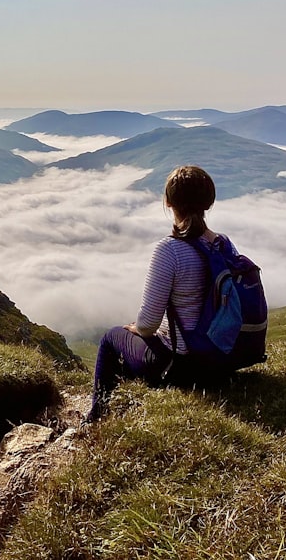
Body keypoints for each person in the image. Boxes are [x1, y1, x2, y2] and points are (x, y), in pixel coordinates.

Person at [87, 164, 241, 422]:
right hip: (220, 357)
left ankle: (96, 416)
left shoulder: (169, 250)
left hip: (181, 364)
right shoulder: (222, 244)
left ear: (169, 202)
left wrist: (136, 329)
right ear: (208, 202)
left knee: (111, 338)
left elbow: (148, 325)